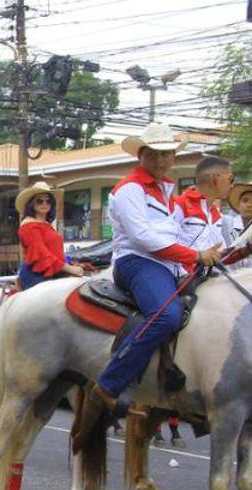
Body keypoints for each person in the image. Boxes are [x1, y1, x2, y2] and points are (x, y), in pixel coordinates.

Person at [89, 124, 224, 413]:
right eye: (153, 154)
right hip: (136, 262)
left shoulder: (166, 192)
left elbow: (173, 237)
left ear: (173, 157)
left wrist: (203, 257)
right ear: (140, 155)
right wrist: (196, 255)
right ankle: (109, 384)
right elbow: (144, 238)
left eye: (166, 154)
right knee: (166, 316)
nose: (161, 160)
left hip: (168, 266)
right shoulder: (129, 189)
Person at [15, 182, 85, 290]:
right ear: (31, 203)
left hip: (53, 272)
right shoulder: (28, 225)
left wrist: (71, 264)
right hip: (36, 275)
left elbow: (54, 252)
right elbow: (41, 253)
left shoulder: (46, 225)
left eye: (48, 201)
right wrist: (69, 269)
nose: (44, 204)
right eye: (39, 201)